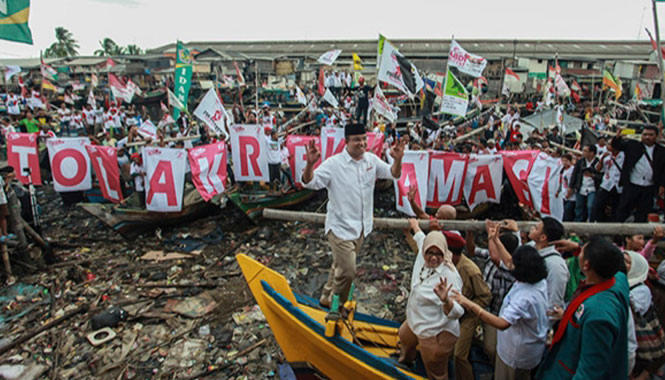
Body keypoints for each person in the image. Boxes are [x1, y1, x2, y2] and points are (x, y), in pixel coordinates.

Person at [302, 123, 404, 307]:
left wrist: (397, 160)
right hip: (340, 227)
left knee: (339, 266)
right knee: (348, 271)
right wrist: (310, 164)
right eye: (357, 139)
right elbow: (310, 183)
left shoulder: (371, 161)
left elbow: (393, 174)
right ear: (346, 141)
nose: (362, 143)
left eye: (364, 139)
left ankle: (326, 294)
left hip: (362, 227)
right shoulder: (334, 164)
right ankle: (336, 306)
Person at [537, 236, 629, 380]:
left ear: (586, 265)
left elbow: (590, 371)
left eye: (581, 253)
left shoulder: (598, 316)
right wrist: (577, 249)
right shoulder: (619, 280)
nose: (578, 253)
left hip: (568, 371)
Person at [452, 244, 549, 380]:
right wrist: (495, 240)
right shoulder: (538, 281)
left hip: (515, 354)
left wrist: (469, 304)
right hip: (526, 346)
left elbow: (502, 323)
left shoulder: (525, 298)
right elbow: (510, 262)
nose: (510, 264)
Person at [399, 219, 464, 380]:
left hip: (436, 330)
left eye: (438, 254)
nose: (434, 258)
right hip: (417, 319)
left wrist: (446, 301)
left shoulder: (449, 275)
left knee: (435, 367)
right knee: (404, 336)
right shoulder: (422, 257)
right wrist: (414, 226)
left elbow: (458, 311)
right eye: (430, 253)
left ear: (444, 253)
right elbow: (422, 238)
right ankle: (406, 362)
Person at [467, 222, 519, 363]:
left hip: (496, 313)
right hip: (482, 303)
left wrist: (491, 237)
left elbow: (496, 259)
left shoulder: (513, 267)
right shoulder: (492, 256)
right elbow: (472, 250)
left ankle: (495, 367)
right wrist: (469, 233)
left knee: (491, 348)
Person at [451, 230, 491, 380]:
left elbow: (485, 296)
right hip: (452, 310)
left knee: (459, 354)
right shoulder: (447, 264)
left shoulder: (470, 270)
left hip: (469, 315)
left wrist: (468, 305)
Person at [613, 125, 665, 222]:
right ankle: (618, 235)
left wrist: (662, 185)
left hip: (649, 187)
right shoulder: (633, 145)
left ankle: (638, 235)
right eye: (645, 134)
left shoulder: (661, 151)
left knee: (643, 213)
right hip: (632, 185)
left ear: (656, 136)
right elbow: (617, 145)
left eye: (650, 135)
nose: (647, 137)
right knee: (623, 211)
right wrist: (617, 136)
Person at [527, 217, 568, 320]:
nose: (532, 229)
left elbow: (554, 302)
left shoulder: (556, 266)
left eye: (536, 228)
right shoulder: (531, 248)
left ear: (543, 237)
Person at [591, 144, 623, 222]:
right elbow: (598, 169)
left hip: (619, 185)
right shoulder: (606, 156)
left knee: (616, 207)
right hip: (606, 184)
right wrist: (602, 159)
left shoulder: (624, 156)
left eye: (610, 144)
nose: (608, 146)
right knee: (598, 205)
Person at [567, 144, 599, 222]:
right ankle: (578, 223)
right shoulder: (580, 162)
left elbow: (601, 175)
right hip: (581, 187)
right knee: (579, 207)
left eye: (585, 151)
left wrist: (593, 176)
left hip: (592, 188)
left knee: (590, 206)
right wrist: (571, 186)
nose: (583, 153)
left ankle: (590, 222)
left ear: (591, 153)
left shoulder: (598, 162)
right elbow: (574, 174)